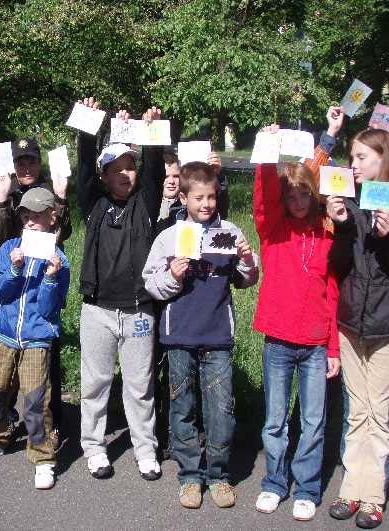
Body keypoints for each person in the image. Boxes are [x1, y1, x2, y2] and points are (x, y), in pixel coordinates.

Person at [143, 161, 258, 509]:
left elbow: (247, 280)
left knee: (221, 410)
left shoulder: (231, 232)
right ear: (183, 197)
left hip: (218, 336)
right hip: (179, 337)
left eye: (211, 197)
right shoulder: (170, 236)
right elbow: (151, 283)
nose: (206, 204)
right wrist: (172, 276)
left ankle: (219, 476)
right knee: (182, 407)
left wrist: (248, 260)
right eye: (198, 198)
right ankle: (190, 476)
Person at [325, 128, 389, 529]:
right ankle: (351, 489)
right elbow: (338, 265)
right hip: (351, 322)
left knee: (379, 413)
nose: (354, 165)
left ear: (385, 159)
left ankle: (372, 497)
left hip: (387, 324)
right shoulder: (355, 203)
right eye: (352, 157)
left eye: (362, 157)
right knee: (356, 411)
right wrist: (345, 227)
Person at [251, 108, 344, 521]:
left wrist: (329, 138)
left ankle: (306, 487)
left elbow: (334, 292)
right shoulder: (273, 231)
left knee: (312, 421)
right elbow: (265, 195)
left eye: (305, 194)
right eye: (291, 195)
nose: (298, 200)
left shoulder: (327, 232)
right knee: (274, 422)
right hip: (279, 340)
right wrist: (269, 153)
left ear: (315, 195)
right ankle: (274, 482)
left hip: (315, 343)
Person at [76, 97, 164, 481]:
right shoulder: (93, 205)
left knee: (139, 386)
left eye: (131, 167)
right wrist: (88, 126)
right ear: (104, 175)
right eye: (117, 169)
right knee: (94, 383)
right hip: (97, 310)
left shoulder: (145, 204)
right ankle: (94, 448)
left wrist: (151, 136)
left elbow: (155, 174)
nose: (127, 174)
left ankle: (146, 449)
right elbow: (82, 168)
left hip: (138, 311)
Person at [0, 187, 70, 490]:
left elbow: (50, 309)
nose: (30, 221)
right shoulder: (9, 247)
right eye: (25, 215)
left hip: (38, 338)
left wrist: (51, 276)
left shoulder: (58, 257)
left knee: (37, 399)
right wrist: (13, 268)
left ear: (52, 217)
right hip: (6, 335)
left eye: (37, 215)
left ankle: (42, 457)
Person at [0, 137, 72, 447]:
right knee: (6, 368)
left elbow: (65, 230)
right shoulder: (9, 192)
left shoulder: (52, 190)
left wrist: (61, 197)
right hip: (14, 278)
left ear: (40, 164)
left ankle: (49, 426)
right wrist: (0, 199)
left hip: (44, 282)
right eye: (20, 162)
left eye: (31, 161)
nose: (25, 167)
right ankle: (5, 421)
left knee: (44, 364)